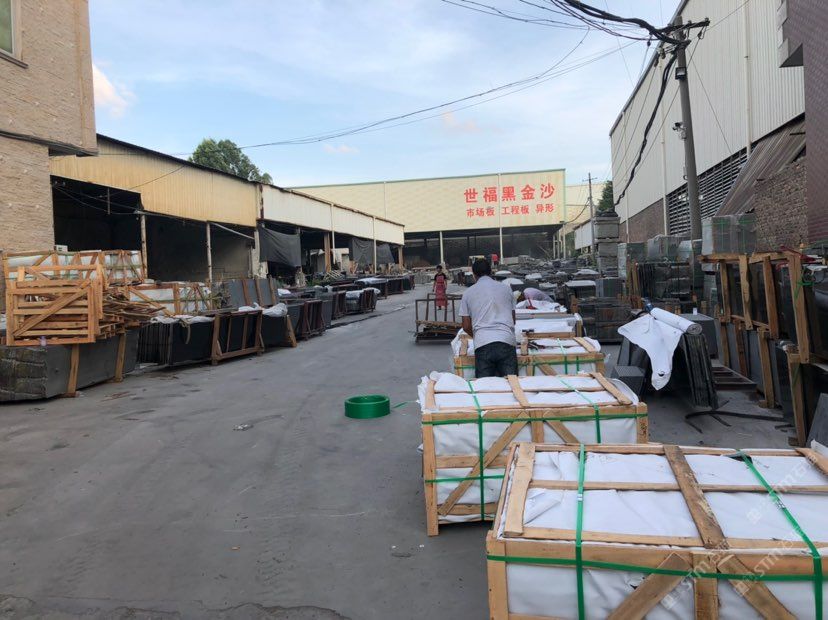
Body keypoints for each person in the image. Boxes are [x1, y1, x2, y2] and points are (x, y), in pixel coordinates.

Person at [459, 258, 518, 378]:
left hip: (483, 343)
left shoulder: (468, 293)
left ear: (474, 275)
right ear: (491, 272)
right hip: (506, 341)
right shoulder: (506, 289)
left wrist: (479, 335)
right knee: (511, 384)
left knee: (485, 386)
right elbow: (513, 320)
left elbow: (466, 326)